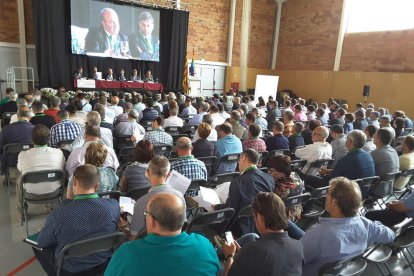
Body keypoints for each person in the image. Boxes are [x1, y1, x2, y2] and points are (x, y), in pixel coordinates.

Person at [34, 164, 120, 275]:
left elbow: (41, 242)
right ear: (97, 185)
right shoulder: (113, 206)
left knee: (38, 247)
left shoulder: (58, 215)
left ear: (74, 182)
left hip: (69, 270)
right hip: (102, 265)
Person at [106, 193, 219, 275]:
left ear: (152, 221)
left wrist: (123, 227)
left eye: (147, 213)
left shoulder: (125, 253)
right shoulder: (205, 245)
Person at [301, 177, 395, 276]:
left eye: (328, 193)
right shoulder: (366, 224)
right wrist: (375, 225)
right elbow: (390, 236)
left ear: (335, 201)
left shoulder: (319, 233)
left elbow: (294, 259)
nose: (325, 195)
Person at [222, 192, 304, 276]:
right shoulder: (298, 246)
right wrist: (243, 256)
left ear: (260, 217)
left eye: (254, 216)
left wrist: (229, 256)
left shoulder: (254, 250)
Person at [214, 149, 275, 237]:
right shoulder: (269, 178)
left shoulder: (238, 182)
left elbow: (230, 209)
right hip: (261, 224)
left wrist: (217, 206)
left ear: (244, 157)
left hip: (238, 227)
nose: (238, 163)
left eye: (239, 160)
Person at [125, 157, 184, 239]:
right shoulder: (180, 196)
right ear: (169, 174)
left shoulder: (142, 202)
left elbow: (134, 237)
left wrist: (123, 227)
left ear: (147, 173)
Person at [16, 125, 65, 220]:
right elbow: (62, 167)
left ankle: (21, 213)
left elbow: (20, 169)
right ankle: (52, 206)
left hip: (30, 194)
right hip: (55, 192)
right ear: (49, 139)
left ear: (32, 140)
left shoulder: (23, 154)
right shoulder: (59, 152)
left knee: (20, 179)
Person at [305, 130, 375, 188]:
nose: (345, 140)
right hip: (362, 191)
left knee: (308, 177)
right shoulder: (368, 155)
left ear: (350, 141)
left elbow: (331, 180)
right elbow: (348, 171)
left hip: (346, 193)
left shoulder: (348, 159)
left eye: (346, 138)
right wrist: (329, 171)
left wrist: (324, 174)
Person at [268, 155, 304, 221]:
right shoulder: (295, 175)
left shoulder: (281, 187)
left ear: (282, 171)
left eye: (272, 171)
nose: (269, 173)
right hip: (297, 211)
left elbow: (270, 204)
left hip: (284, 217)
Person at [0, 108, 34, 173]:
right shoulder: (35, 129)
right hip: (30, 160)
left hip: (11, 161)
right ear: (29, 117)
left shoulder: (6, 129)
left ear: (17, 116)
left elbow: (0, 147)